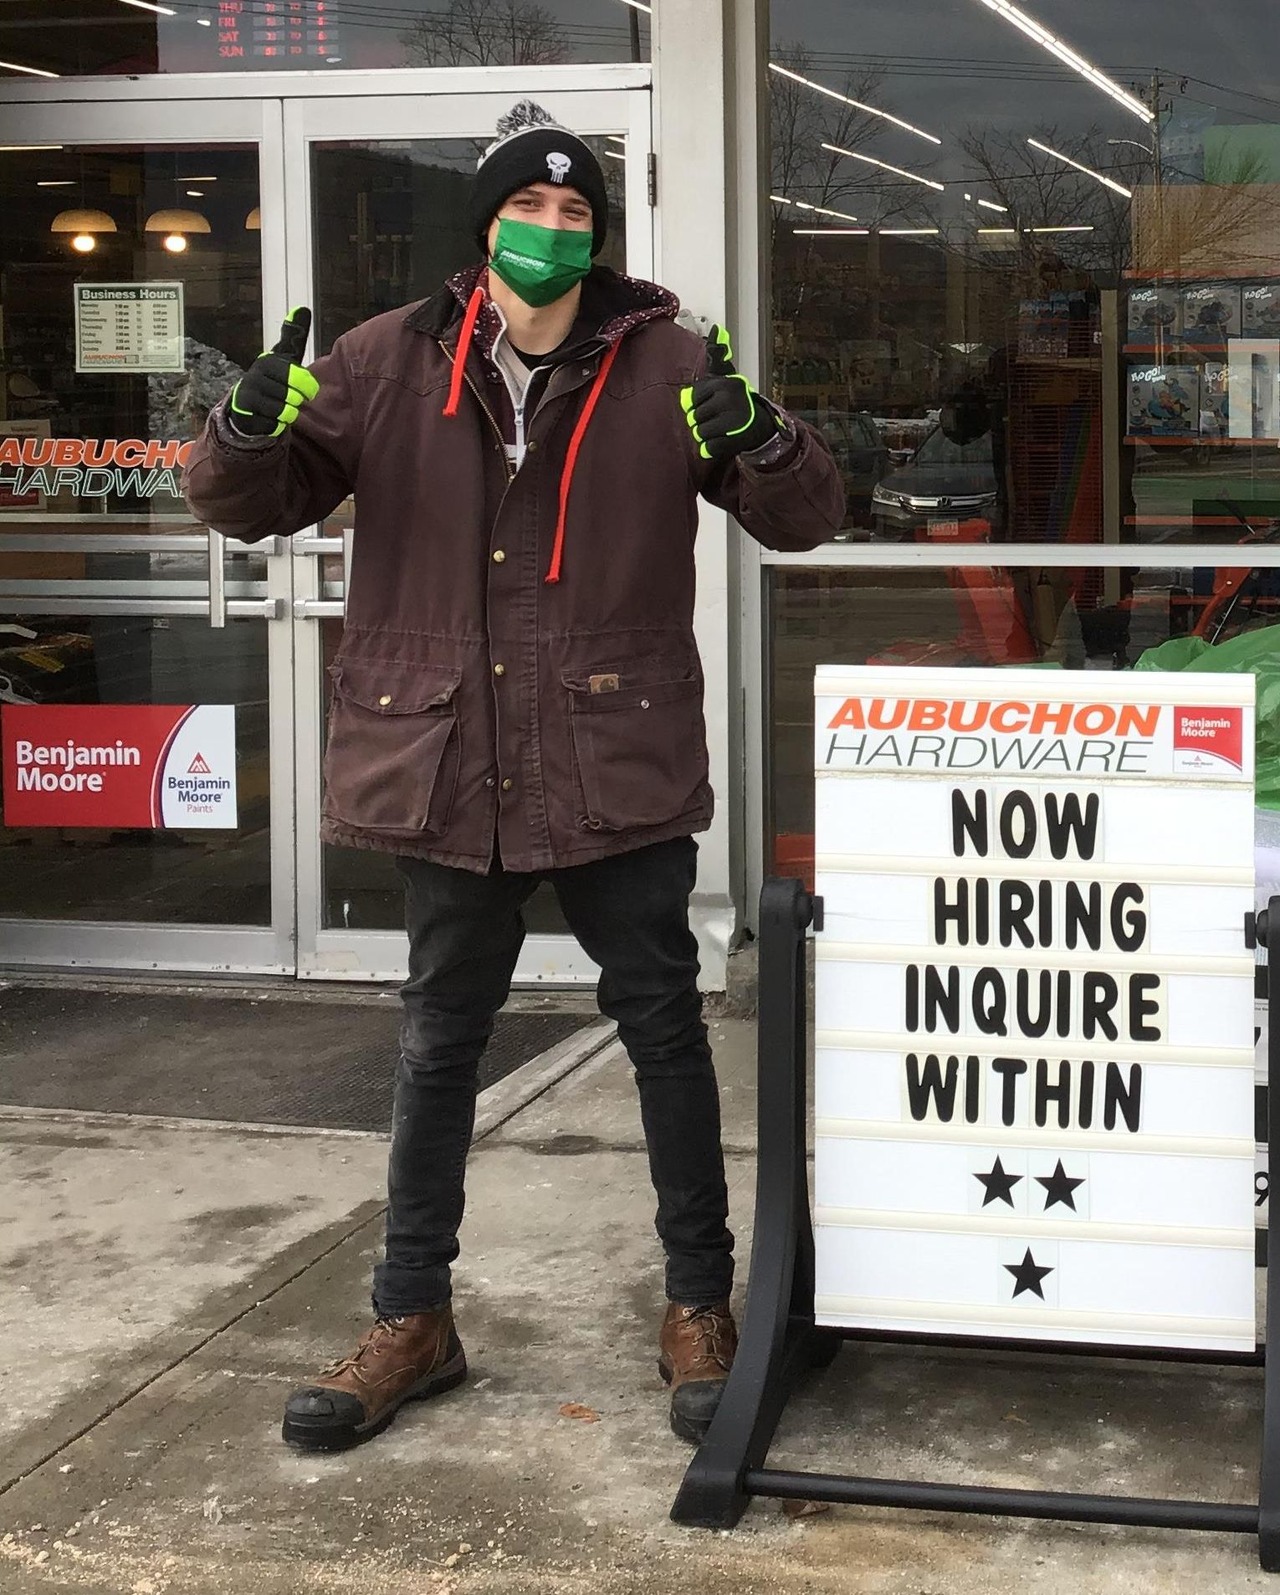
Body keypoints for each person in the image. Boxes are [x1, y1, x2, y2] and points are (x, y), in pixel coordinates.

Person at [185, 100, 843, 1454]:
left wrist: (760, 436)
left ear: (600, 234)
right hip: (451, 762)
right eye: (528, 209)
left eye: (575, 211)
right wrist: (242, 430)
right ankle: (411, 1316)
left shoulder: (670, 362)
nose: (551, 229)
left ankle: (698, 1304)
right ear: (484, 226)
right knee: (441, 1041)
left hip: (613, 758)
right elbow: (246, 504)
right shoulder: (385, 361)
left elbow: (807, 521)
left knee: (665, 1032)